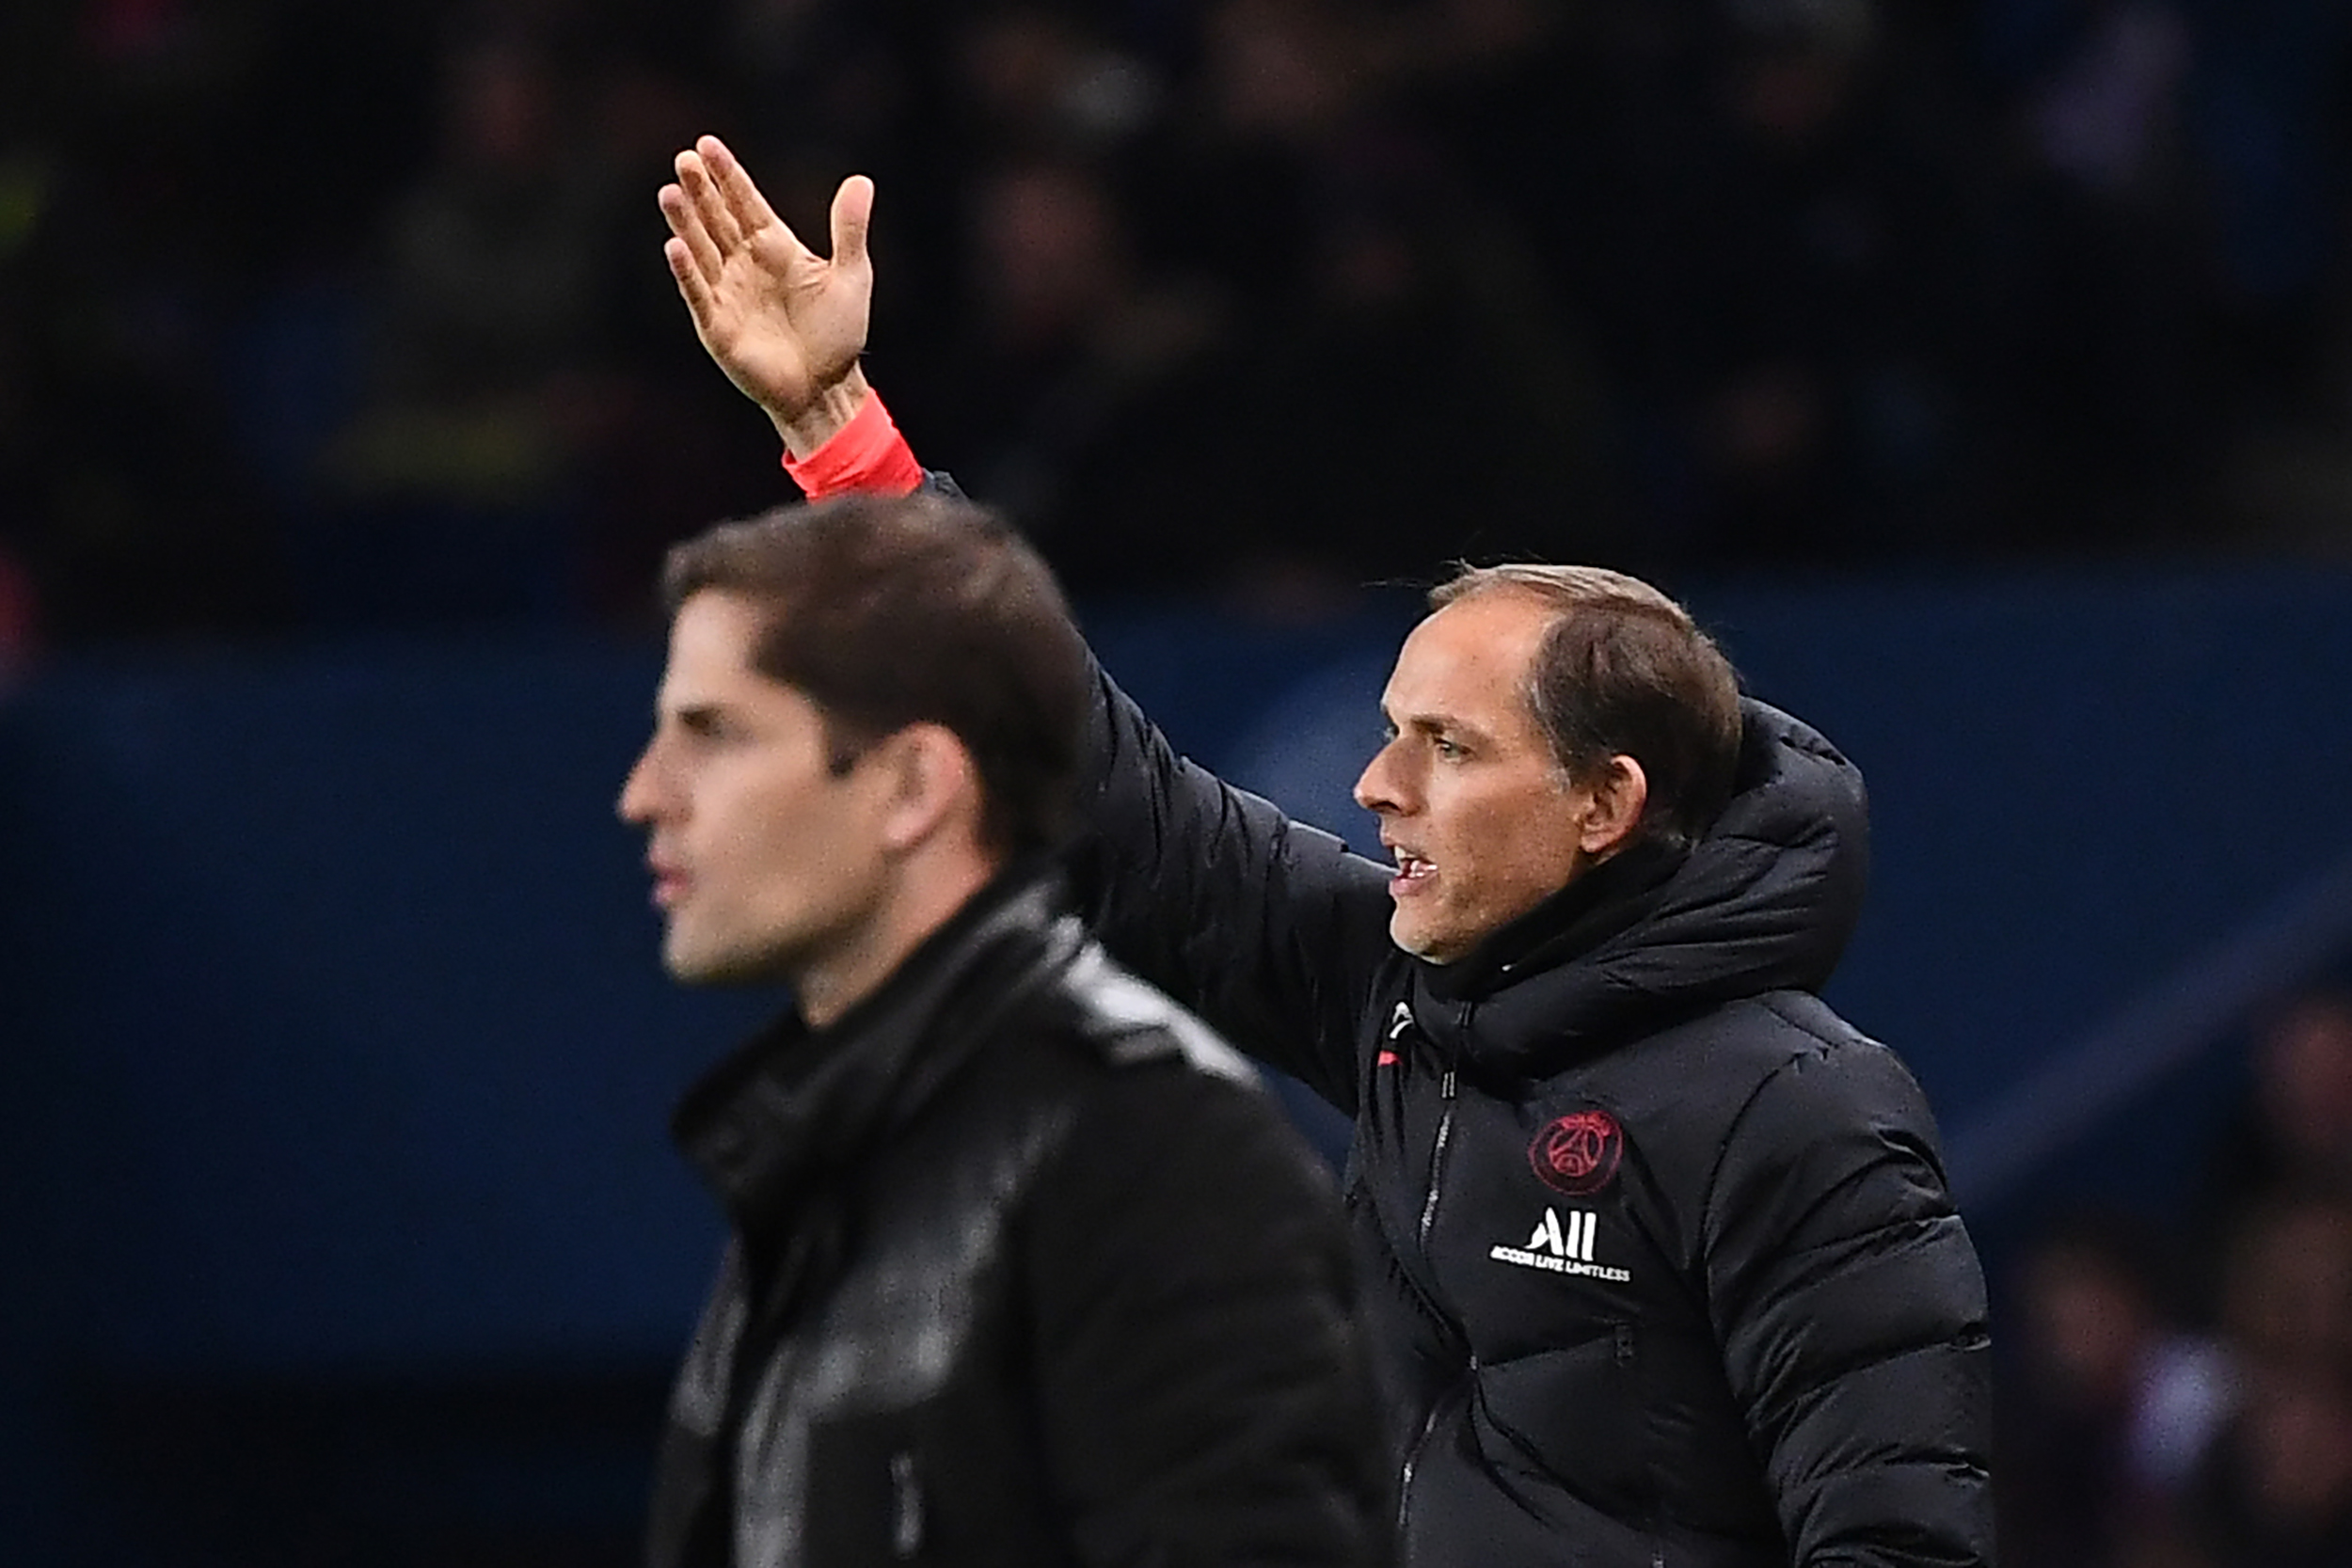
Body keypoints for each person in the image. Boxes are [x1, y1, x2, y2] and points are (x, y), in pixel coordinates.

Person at [655, 134, 1994, 1567]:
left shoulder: (1805, 1113)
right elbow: (1114, 802)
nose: (1376, 783)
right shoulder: (1402, 995)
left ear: (1604, 802)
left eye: (1450, 745)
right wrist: (842, 432)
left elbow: (1902, 1543)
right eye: (1392, 727)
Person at [615, 488, 1387, 1566]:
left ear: (911, 787)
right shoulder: (824, 1156)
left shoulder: (1150, 1148)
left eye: (716, 734)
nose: (645, 793)